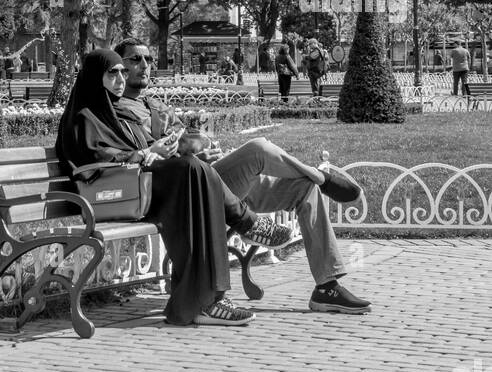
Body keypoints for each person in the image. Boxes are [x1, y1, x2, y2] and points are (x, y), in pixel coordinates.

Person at [114, 40, 372, 316]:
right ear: (118, 67)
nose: (144, 65)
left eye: (149, 59)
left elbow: (187, 145)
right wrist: (160, 153)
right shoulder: (116, 109)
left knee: (304, 188)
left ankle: (326, 287)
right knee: (259, 148)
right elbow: (133, 158)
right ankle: (321, 175)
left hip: (212, 182)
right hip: (185, 193)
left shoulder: (155, 104)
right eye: (134, 59)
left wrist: (203, 151)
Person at [56, 49, 294, 327]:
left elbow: (135, 150)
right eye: (113, 73)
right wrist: (144, 154)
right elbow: (90, 160)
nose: (121, 78)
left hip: (141, 188)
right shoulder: (84, 116)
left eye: (123, 71)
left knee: (196, 182)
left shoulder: (114, 111)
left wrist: (159, 151)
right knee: (191, 169)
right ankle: (246, 227)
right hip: (112, 196)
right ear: (95, 77)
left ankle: (207, 301)